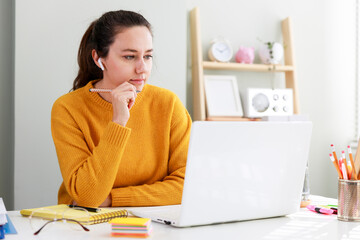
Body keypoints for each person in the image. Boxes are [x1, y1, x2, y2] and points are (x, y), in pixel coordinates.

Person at [51, 10, 192, 207]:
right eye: (129, 57)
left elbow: (188, 186)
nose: (142, 68)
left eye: (148, 56)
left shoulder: (168, 104)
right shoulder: (67, 109)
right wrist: (118, 122)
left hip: (153, 225)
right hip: (83, 227)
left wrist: (111, 199)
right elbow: (87, 197)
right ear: (99, 59)